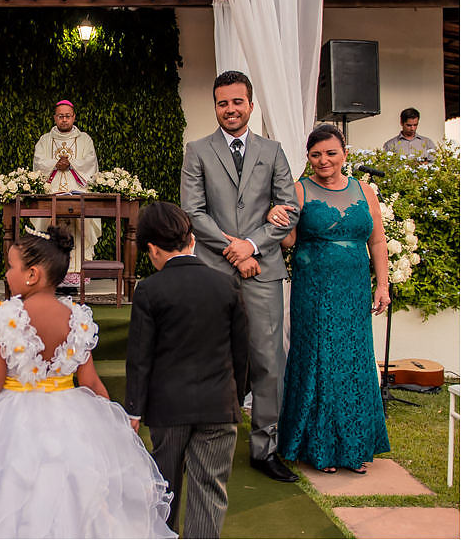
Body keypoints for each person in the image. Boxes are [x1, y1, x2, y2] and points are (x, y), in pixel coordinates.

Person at [0, 225, 175, 538]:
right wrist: (113, 419)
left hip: (11, 418)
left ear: (32, 274)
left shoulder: (6, 317)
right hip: (70, 412)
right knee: (72, 492)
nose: (7, 274)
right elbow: (89, 381)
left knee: (7, 490)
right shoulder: (78, 317)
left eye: (11, 267)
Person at [180, 70, 300, 483]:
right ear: (214, 106)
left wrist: (252, 245)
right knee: (215, 360)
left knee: (269, 362)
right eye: (222, 102)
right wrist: (233, 249)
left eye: (237, 102)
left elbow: (290, 207)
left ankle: (265, 449)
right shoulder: (197, 150)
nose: (230, 109)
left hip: (263, 272)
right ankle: (213, 444)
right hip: (214, 273)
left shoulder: (273, 150)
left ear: (250, 104)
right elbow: (193, 212)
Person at [267, 124, 390, 473]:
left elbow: (377, 242)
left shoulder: (365, 191)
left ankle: (354, 448)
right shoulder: (300, 190)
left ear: (344, 154)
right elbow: (288, 242)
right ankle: (320, 449)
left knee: (353, 362)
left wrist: (382, 286)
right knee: (319, 362)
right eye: (316, 154)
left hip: (354, 292)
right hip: (315, 292)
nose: (324, 160)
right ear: (308, 158)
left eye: (331, 153)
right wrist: (275, 215)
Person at [126, 202, 248, 538]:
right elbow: (242, 351)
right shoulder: (226, 285)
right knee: (209, 488)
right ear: (191, 239)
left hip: (168, 408)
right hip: (219, 403)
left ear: (151, 249)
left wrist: (134, 408)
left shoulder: (149, 291)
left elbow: (140, 356)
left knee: (166, 486)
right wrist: (237, 394)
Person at [32, 99, 100, 282]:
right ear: (55, 117)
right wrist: (55, 163)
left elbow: (90, 162)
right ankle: (50, 273)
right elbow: (38, 162)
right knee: (47, 228)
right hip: (51, 191)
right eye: (60, 116)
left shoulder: (84, 139)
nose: (64, 120)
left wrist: (71, 163)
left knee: (81, 228)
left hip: (77, 191)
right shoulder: (45, 140)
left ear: (74, 117)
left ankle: (78, 275)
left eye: (67, 116)